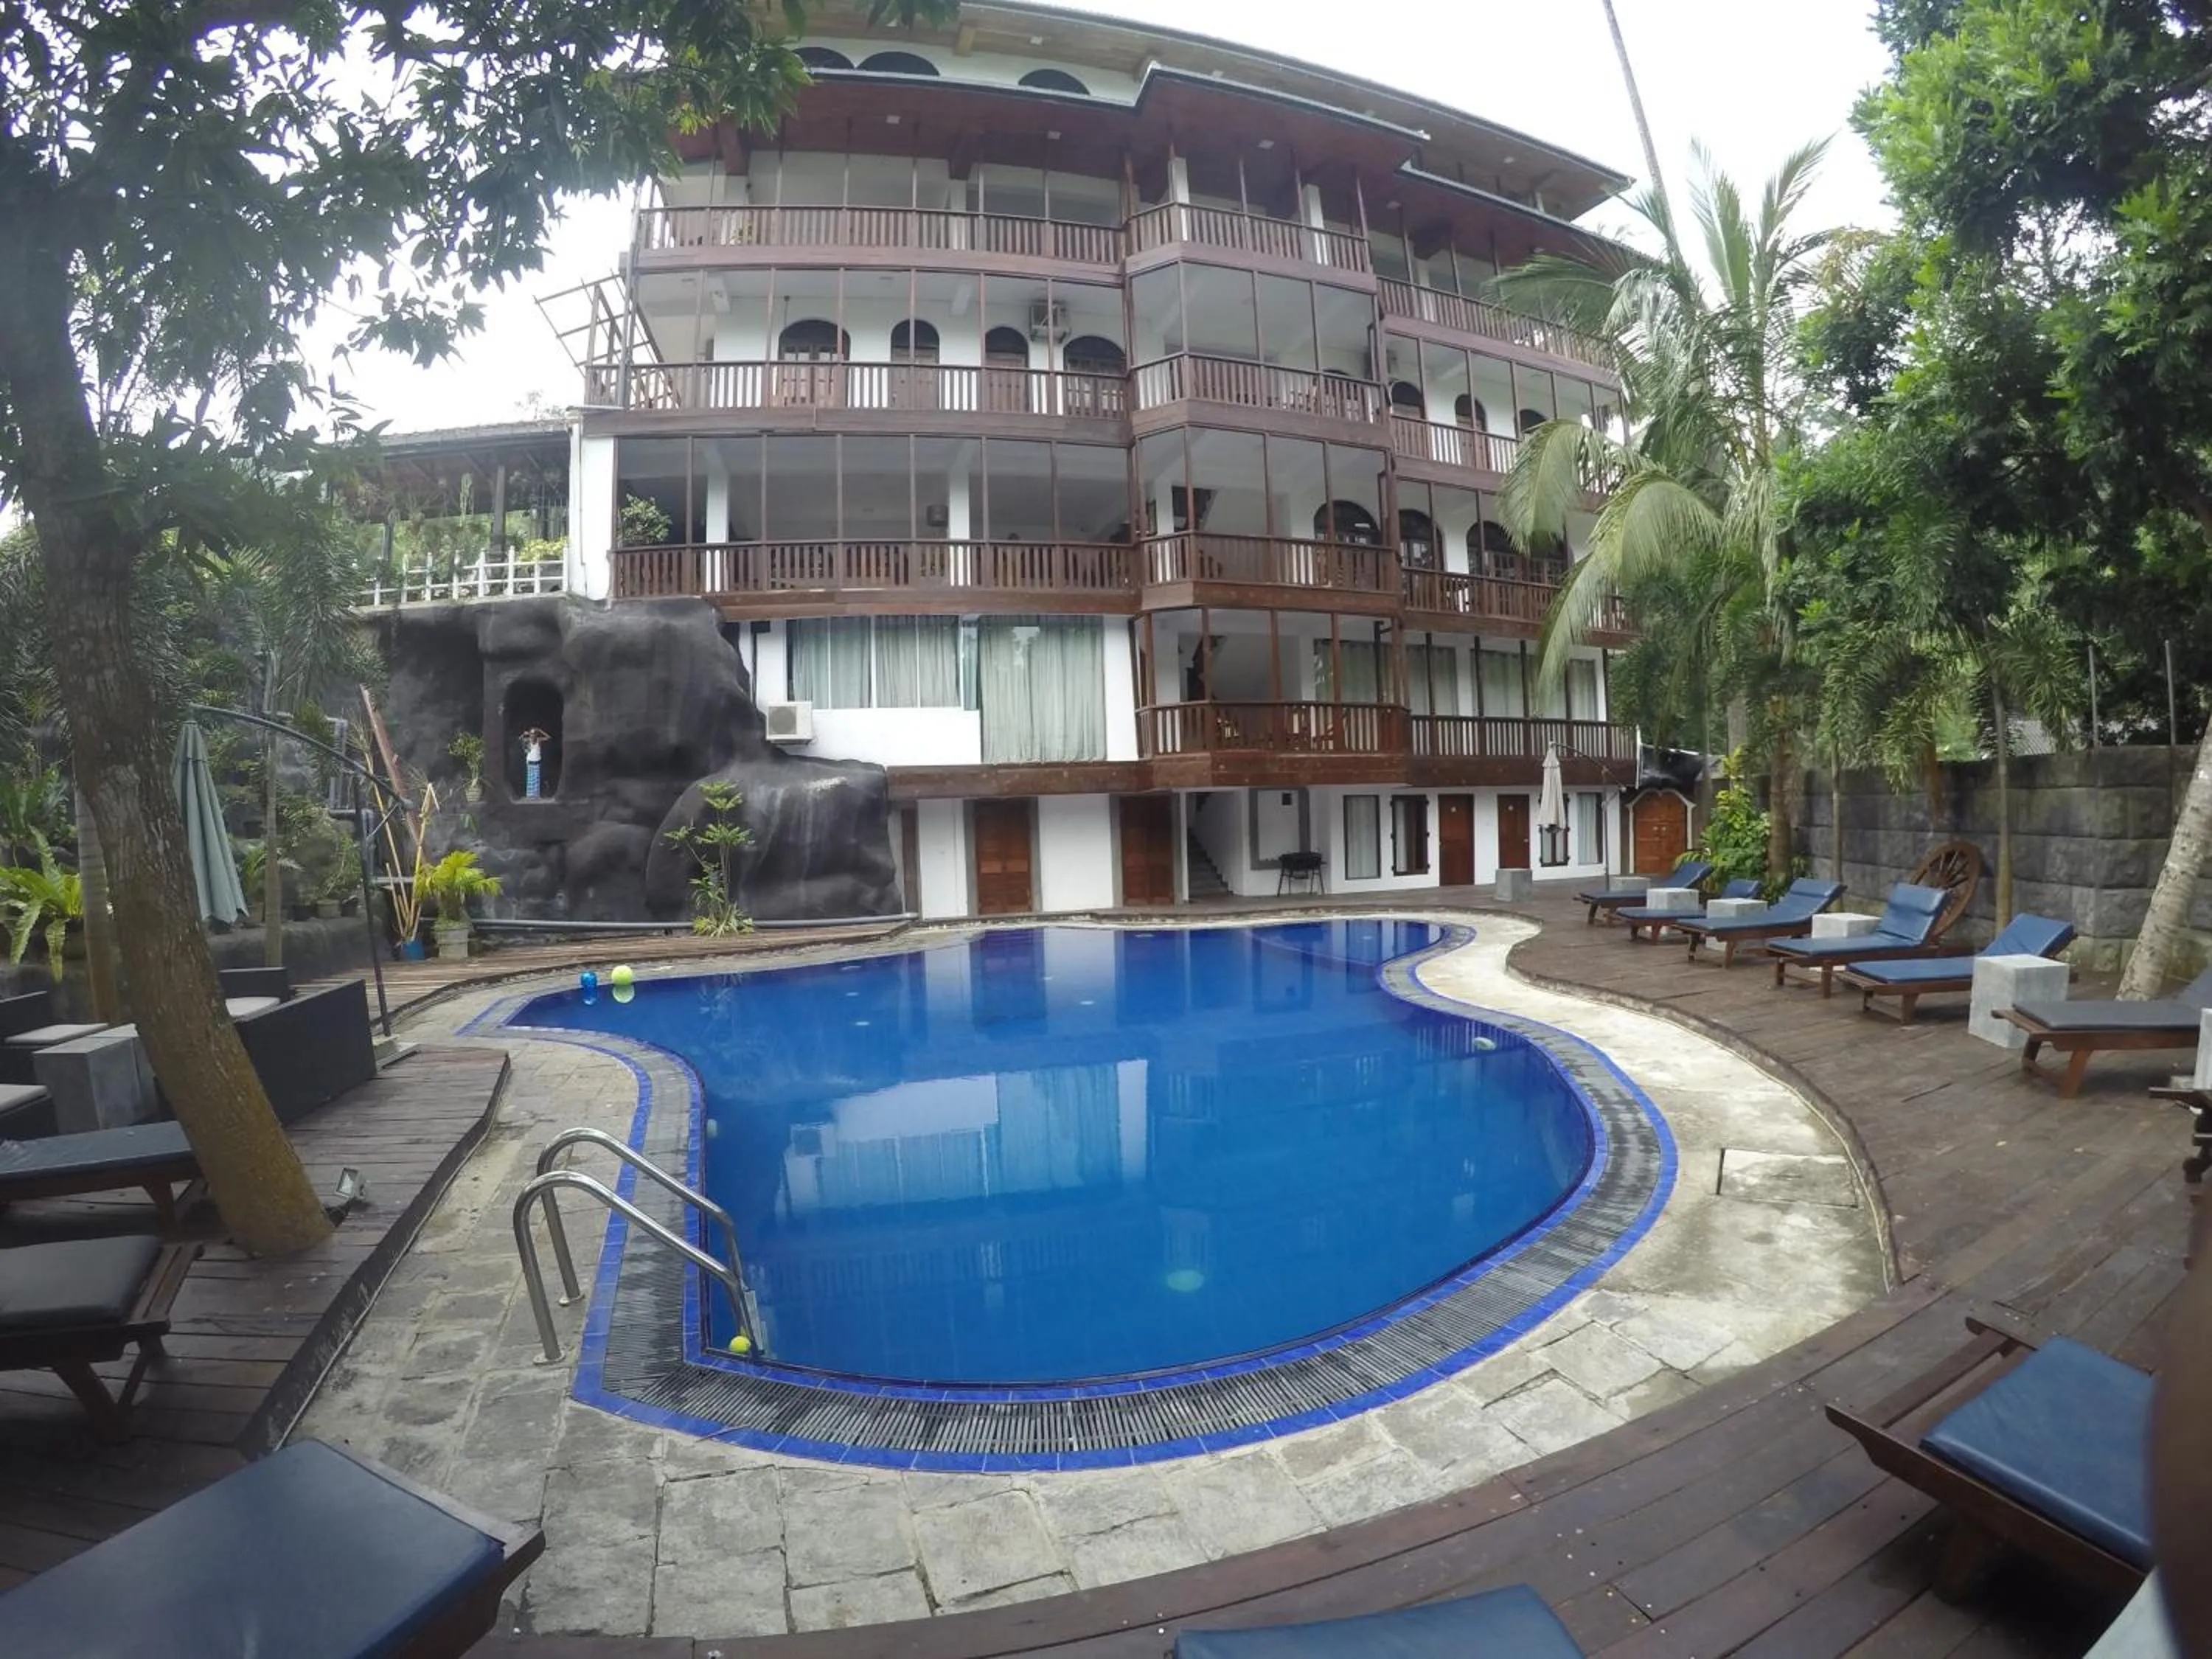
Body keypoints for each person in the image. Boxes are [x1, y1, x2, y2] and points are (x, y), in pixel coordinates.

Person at [518, 727, 550, 799]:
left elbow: (548, 737)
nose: (533, 735)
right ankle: (530, 796)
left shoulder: (539, 740)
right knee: (530, 779)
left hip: (537, 761)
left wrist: (541, 731)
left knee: (536, 779)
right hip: (530, 761)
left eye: (534, 733)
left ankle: (536, 796)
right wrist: (524, 734)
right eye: (532, 733)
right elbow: (520, 739)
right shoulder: (528, 740)